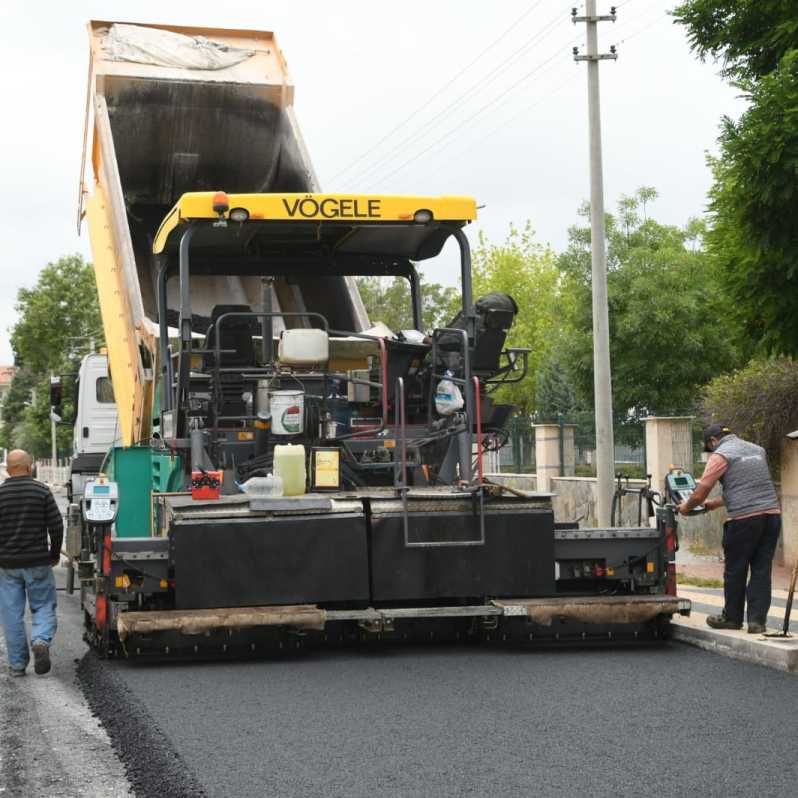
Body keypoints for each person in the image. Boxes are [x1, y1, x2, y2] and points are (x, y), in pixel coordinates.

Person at [678, 423, 781, 633]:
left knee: (735, 569)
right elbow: (743, 488)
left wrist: (686, 507)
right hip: (771, 516)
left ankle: (732, 618)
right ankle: (757, 622)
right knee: (761, 569)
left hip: (744, 520)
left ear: (712, 441)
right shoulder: (757, 450)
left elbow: (700, 492)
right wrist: (709, 507)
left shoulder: (720, 455)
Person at [0, 449, 63, 676]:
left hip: (7, 566)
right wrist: (54, 553)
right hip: (37, 562)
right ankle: (40, 641)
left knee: (11, 614)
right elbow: (56, 526)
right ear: (30, 467)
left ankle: (17, 666)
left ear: (8, 469)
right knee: (44, 605)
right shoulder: (41, 491)